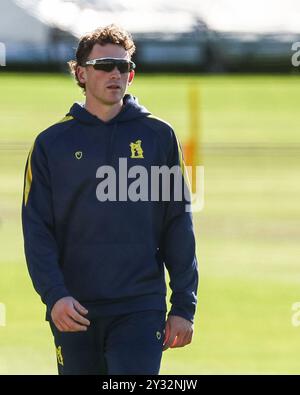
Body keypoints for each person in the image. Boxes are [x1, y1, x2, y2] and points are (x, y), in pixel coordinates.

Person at [21, 24, 198, 375]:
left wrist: (183, 306)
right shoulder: (50, 144)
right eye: (104, 65)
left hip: (140, 306)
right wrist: (54, 295)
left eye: (124, 66)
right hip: (74, 308)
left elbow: (177, 222)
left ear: (131, 75)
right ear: (81, 73)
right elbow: (37, 230)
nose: (115, 73)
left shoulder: (159, 137)